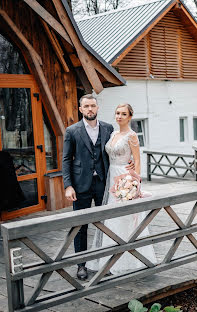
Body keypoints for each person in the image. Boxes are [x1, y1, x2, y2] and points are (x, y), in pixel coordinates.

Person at [62, 94, 133, 280]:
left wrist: (131, 161)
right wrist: (68, 186)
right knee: (81, 226)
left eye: (93, 106)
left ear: (97, 108)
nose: (90, 109)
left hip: (104, 183)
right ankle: (81, 265)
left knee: (106, 223)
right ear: (81, 109)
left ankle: (105, 261)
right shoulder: (72, 131)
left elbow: (117, 149)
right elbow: (65, 160)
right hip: (81, 185)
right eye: (86, 106)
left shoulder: (108, 128)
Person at [88, 103, 156, 275]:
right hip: (112, 177)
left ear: (130, 117)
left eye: (123, 114)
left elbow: (138, 161)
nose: (119, 116)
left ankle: (132, 259)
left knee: (126, 218)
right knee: (112, 218)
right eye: (117, 113)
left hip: (125, 177)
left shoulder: (132, 136)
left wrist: (134, 184)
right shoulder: (113, 133)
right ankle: (110, 259)